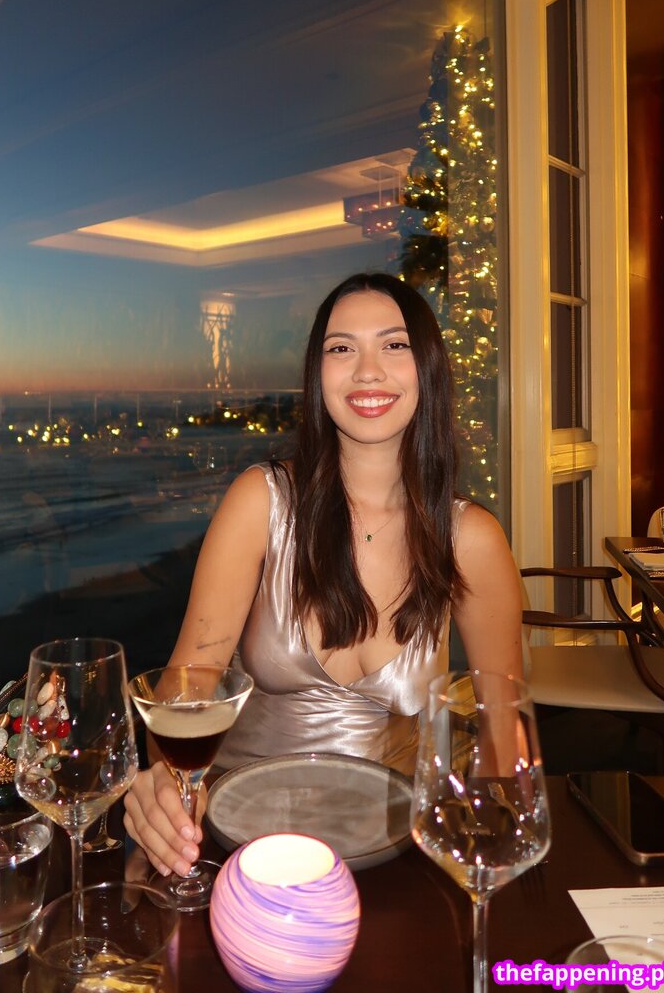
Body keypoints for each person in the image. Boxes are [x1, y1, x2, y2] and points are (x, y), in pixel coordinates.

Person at [124, 271, 522, 879]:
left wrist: (494, 851)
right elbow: (188, 686)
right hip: (239, 844)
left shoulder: (470, 538)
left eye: (394, 345)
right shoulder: (260, 502)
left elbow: (502, 722)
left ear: (429, 369)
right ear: (318, 374)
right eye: (342, 348)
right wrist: (163, 785)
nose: (367, 371)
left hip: (397, 852)